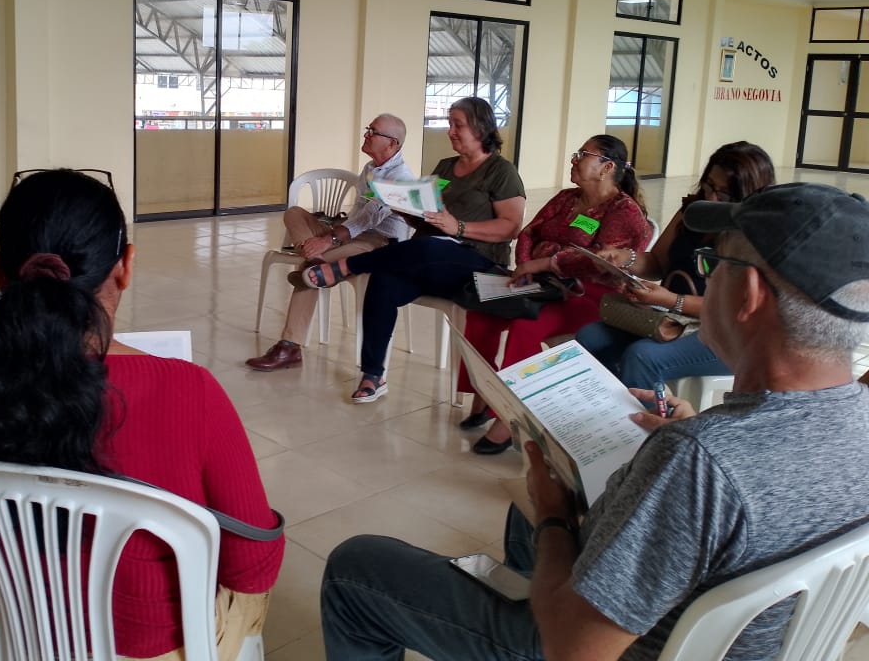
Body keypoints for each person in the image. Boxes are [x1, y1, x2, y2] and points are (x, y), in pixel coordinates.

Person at [319, 182, 869, 661]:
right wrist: (689, 431)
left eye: (714, 264)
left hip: (597, 644)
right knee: (526, 519)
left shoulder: (703, 462)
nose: (706, 278)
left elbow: (572, 649)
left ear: (747, 294)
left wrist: (555, 516)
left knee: (356, 567)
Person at [0, 170, 284, 660]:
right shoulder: (190, 390)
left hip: (6, 643)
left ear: (0, 273)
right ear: (125, 266)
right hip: (157, 650)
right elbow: (251, 568)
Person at [301, 97, 525, 403]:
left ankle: (348, 265)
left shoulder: (501, 171)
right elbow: (428, 214)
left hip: (475, 261)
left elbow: (511, 226)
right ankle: (373, 374)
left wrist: (458, 228)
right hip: (428, 257)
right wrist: (404, 208)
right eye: (449, 124)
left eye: (457, 125)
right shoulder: (446, 166)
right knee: (384, 280)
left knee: (428, 247)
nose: (450, 131)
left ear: (481, 127)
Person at [462, 135, 651, 454]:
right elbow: (529, 233)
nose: (574, 159)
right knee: (482, 312)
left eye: (583, 154)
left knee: (526, 326)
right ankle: (486, 394)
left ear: (607, 167)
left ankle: (510, 416)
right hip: (546, 285)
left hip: (593, 296)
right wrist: (525, 266)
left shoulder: (624, 211)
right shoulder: (566, 198)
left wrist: (544, 261)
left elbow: (598, 262)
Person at [576, 141, 775, 390]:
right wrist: (626, 259)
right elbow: (658, 263)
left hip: (730, 331)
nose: (712, 198)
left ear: (748, 195)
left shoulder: (758, 232)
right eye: (709, 186)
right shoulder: (693, 211)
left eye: (724, 194)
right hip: (671, 317)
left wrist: (671, 300)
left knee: (642, 357)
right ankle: (609, 405)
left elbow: (736, 307)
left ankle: (654, 414)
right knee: (589, 338)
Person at [247, 114, 413, 371]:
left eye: (373, 132)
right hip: (350, 232)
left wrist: (330, 239)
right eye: (368, 129)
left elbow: (368, 220)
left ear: (392, 143)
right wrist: (329, 235)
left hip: (379, 242)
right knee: (294, 214)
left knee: (316, 271)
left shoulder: (400, 178)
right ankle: (311, 258)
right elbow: (357, 215)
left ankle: (290, 346)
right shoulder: (370, 168)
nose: (366, 134)